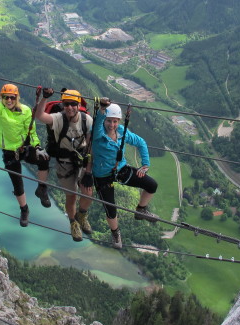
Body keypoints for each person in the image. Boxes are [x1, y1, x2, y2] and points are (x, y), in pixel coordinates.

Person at [0, 71, 51, 227]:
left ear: (17, 98)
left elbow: (30, 131)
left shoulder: (25, 111)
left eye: (12, 97)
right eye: (6, 97)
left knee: (44, 159)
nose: (9, 100)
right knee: (17, 184)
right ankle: (24, 209)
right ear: (2, 98)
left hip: (23, 149)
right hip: (9, 153)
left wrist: (38, 147)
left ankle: (42, 188)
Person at [92, 98, 158, 249]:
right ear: (105, 120)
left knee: (151, 185)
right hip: (102, 175)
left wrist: (145, 164)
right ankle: (115, 233)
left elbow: (140, 142)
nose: (112, 125)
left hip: (120, 170)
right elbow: (98, 122)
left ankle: (140, 210)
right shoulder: (98, 133)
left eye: (115, 121)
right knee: (110, 208)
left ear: (119, 121)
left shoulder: (122, 132)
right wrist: (102, 109)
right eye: (109, 121)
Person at [35, 88, 94, 242]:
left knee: (88, 193)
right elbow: (40, 116)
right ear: (63, 105)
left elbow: (90, 146)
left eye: (73, 104)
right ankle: (73, 222)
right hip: (64, 164)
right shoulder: (59, 118)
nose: (69, 107)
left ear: (78, 104)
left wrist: (88, 172)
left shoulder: (86, 120)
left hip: (81, 161)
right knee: (72, 196)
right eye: (66, 104)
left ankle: (82, 215)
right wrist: (44, 98)